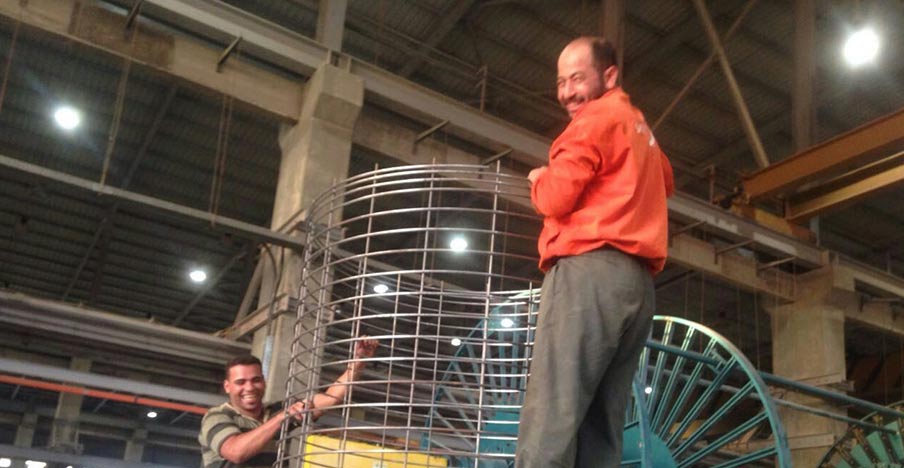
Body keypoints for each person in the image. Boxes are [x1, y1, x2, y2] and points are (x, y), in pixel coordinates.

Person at [516, 36, 674, 468]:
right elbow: (665, 180)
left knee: (551, 416)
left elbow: (555, 198)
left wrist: (539, 178)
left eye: (577, 79)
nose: (567, 92)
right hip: (637, 287)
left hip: (589, 276)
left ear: (610, 76)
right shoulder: (638, 126)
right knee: (601, 430)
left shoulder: (592, 122)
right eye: (561, 82)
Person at [198, 337, 378, 468]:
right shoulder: (217, 416)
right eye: (240, 382)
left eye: (256, 380)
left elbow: (329, 398)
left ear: (264, 382)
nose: (249, 388)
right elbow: (236, 452)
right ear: (227, 386)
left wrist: (358, 362)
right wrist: (281, 418)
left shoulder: (277, 411)